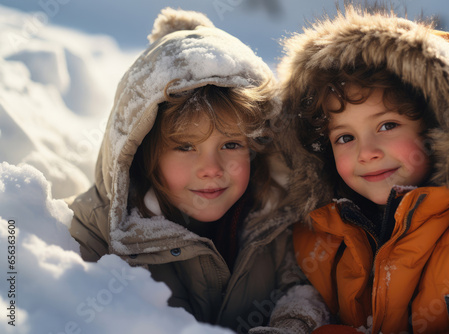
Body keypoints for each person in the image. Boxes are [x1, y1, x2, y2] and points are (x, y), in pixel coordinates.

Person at [68, 7, 330, 334]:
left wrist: (291, 323)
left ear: (258, 147)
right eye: (185, 147)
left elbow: (301, 285)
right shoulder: (98, 229)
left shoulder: (276, 219)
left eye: (231, 145)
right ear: (143, 154)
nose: (211, 169)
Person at [276, 4, 449, 333]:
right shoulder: (321, 231)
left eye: (387, 125)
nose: (366, 153)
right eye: (345, 137)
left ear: (439, 127)